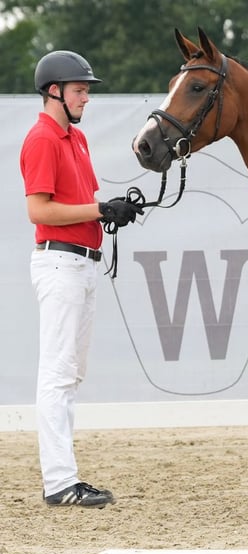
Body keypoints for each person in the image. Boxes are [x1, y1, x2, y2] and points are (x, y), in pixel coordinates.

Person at [20, 50, 143, 508]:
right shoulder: (41, 139)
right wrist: (97, 209)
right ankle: (59, 482)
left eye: (86, 90)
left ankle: (65, 476)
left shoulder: (78, 139)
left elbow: (80, 201)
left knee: (71, 373)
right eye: (79, 90)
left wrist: (111, 211)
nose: (86, 97)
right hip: (59, 265)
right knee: (56, 373)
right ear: (54, 91)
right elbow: (39, 209)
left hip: (84, 262)